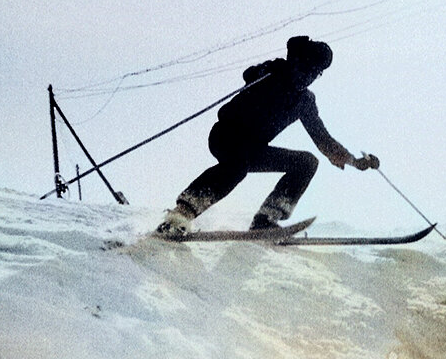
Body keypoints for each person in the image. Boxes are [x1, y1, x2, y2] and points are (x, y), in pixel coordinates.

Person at [156, 36, 379, 236]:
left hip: (255, 148)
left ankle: (266, 220)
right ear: (297, 62)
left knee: (306, 162)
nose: (308, 77)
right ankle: (182, 213)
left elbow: (323, 140)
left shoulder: (304, 102)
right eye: (306, 68)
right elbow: (249, 74)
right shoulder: (275, 73)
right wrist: (265, 71)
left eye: (315, 73)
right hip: (226, 135)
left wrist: (353, 161)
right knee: (237, 166)